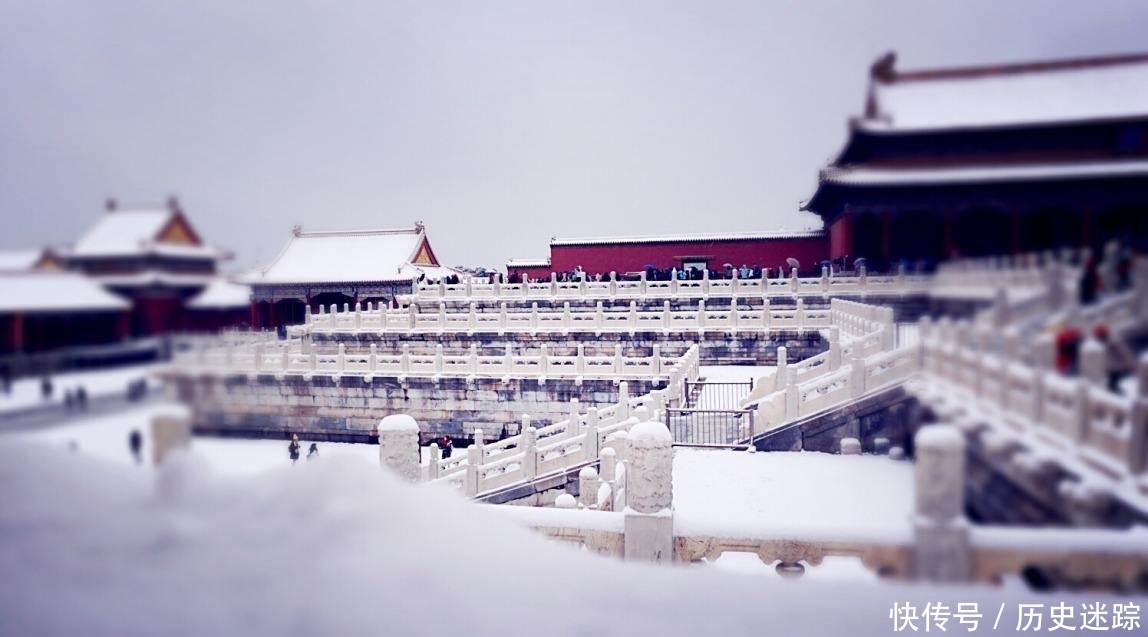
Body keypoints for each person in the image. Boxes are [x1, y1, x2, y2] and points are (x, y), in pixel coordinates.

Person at [1095, 325, 1135, 393]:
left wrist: (1131, 365)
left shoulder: (1113, 342)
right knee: (1111, 387)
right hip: (1110, 369)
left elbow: (1124, 354)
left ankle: (1122, 398)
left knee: (1112, 386)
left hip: (1116, 368)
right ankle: (1120, 397)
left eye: (1100, 335)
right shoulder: (1100, 344)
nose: (1099, 337)